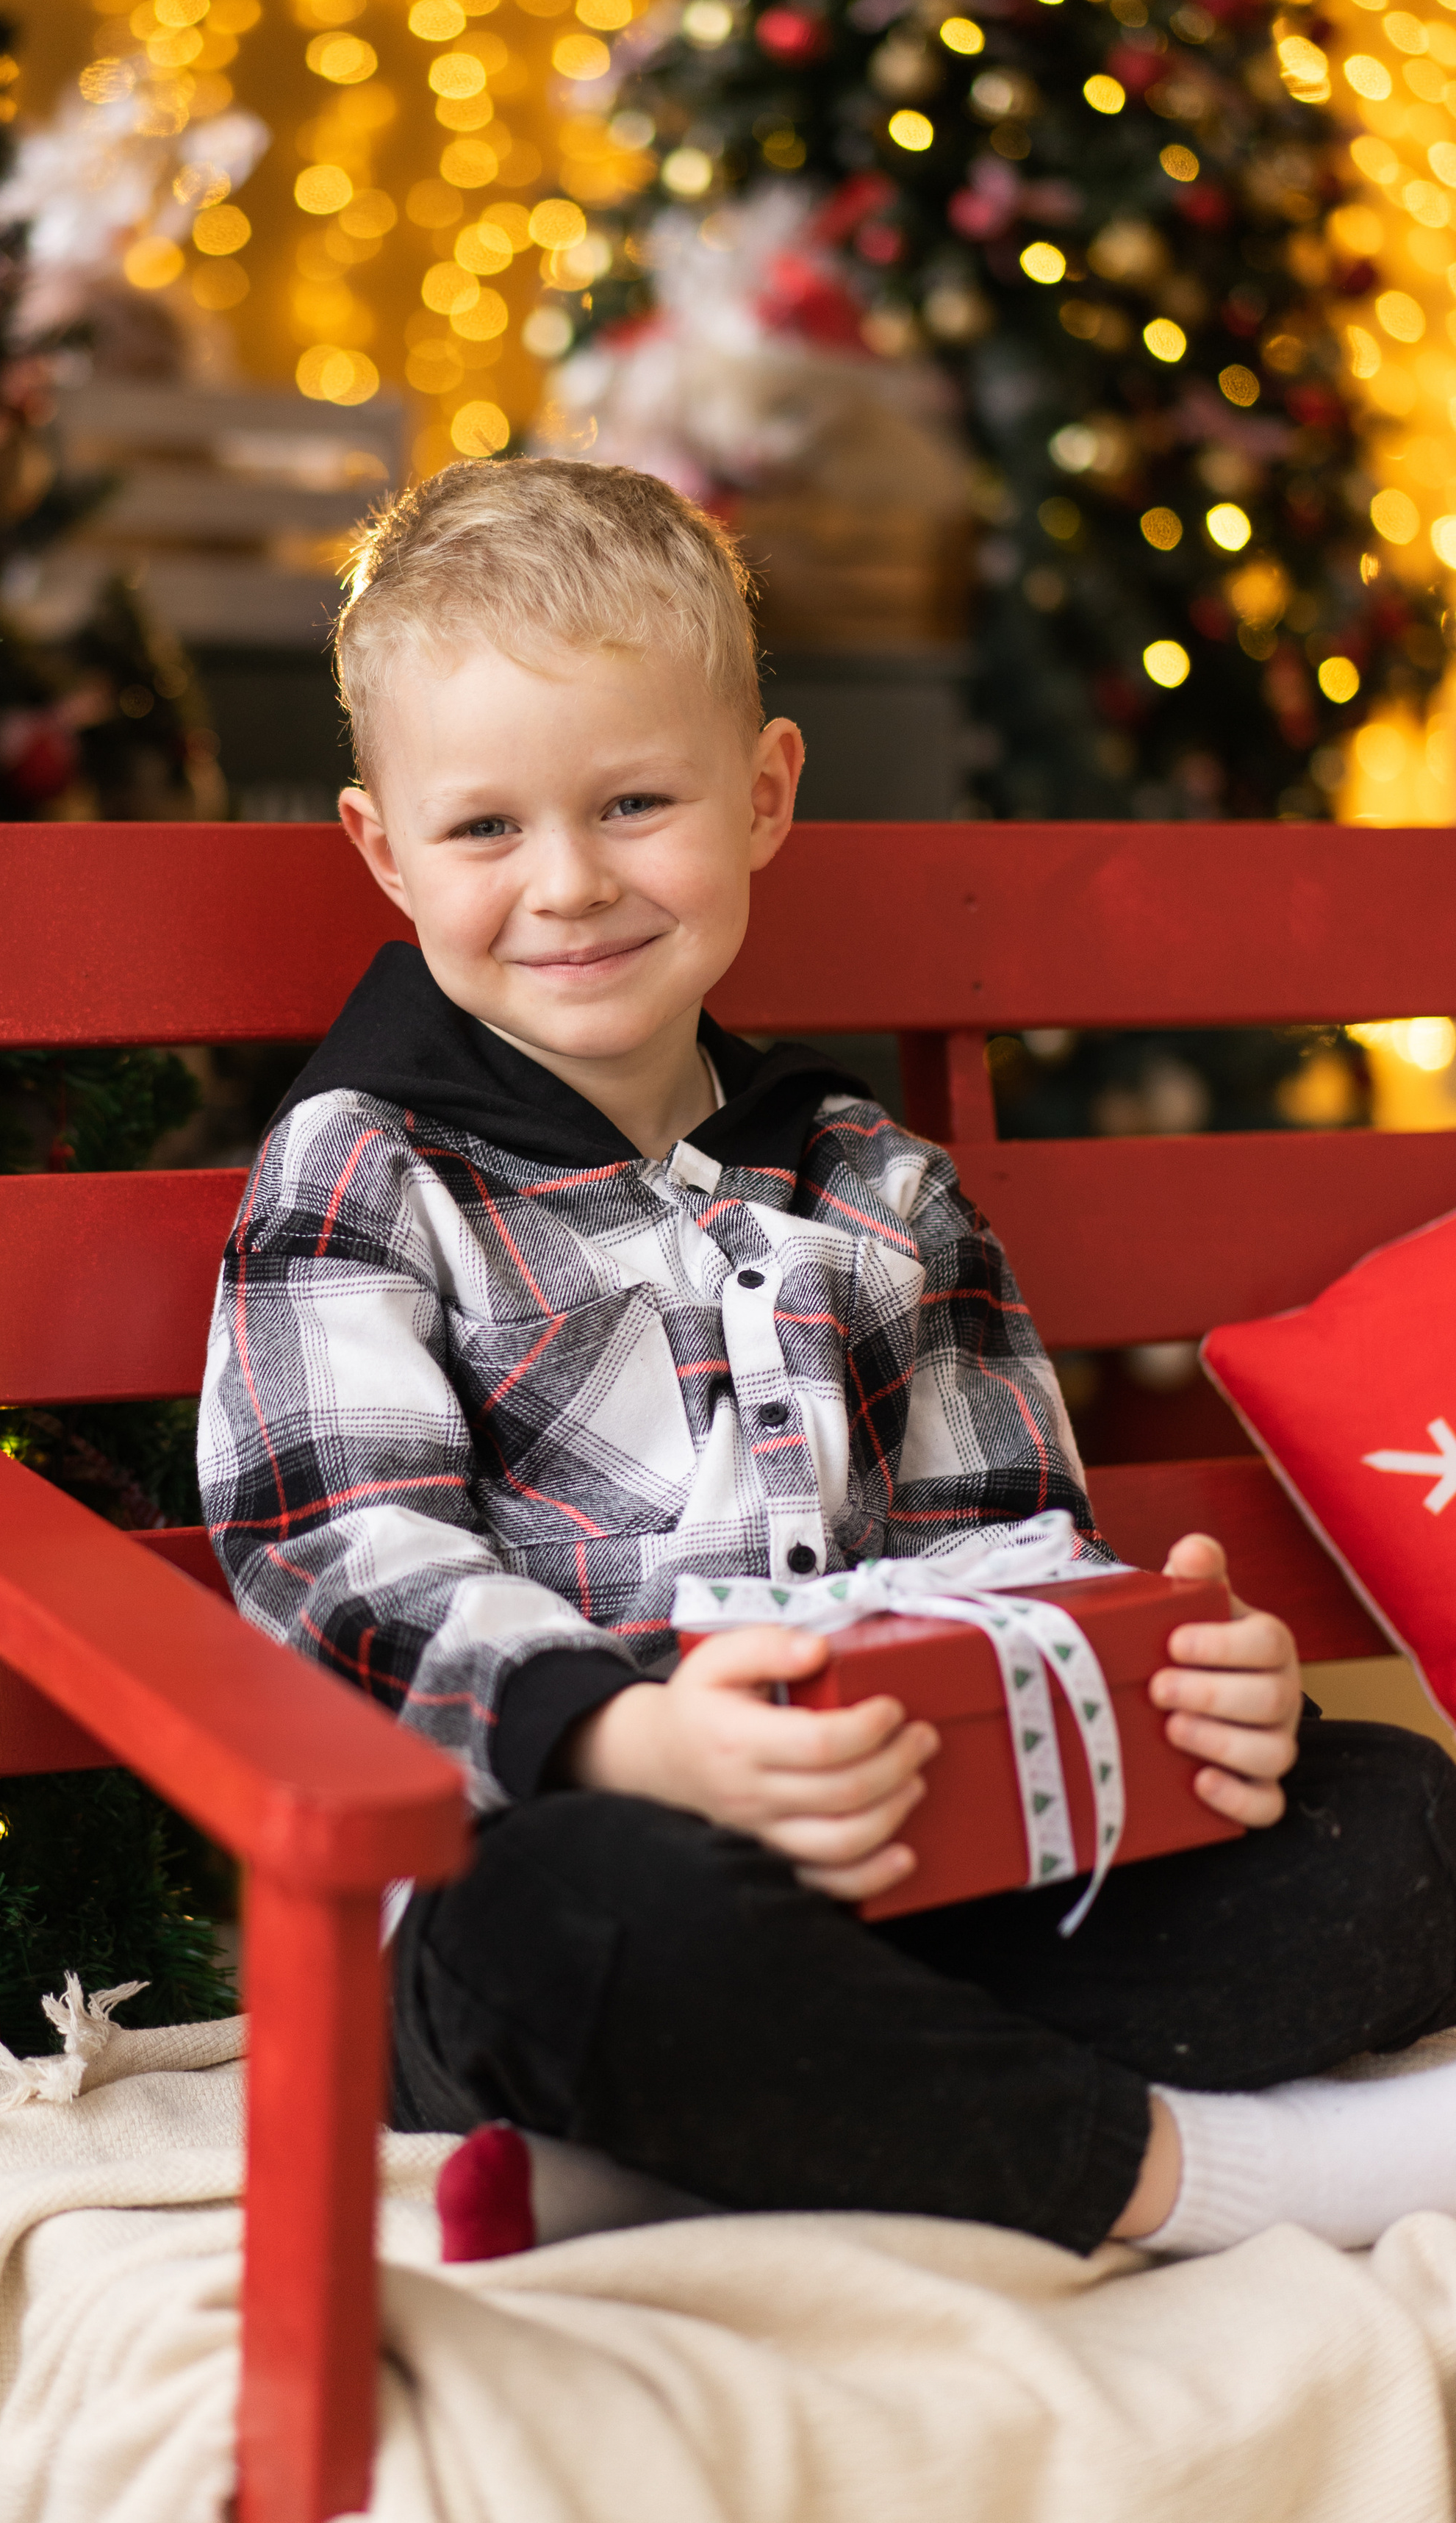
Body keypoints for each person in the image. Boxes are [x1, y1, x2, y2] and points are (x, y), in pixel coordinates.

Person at [198, 456, 1456, 2261]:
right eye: (484, 831)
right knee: (600, 1934)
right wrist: (625, 1740)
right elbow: (340, 1564)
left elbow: (1002, 1533)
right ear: (383, 849)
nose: (567, 885)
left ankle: (669, 2155)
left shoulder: (872, 1176)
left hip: (924, 1874)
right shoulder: (363, 1168)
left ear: (764, 792)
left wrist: (1151, 1683)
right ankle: (1210, 2181)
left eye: (635, 802)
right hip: (551, 1888)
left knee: (1393, 1822)